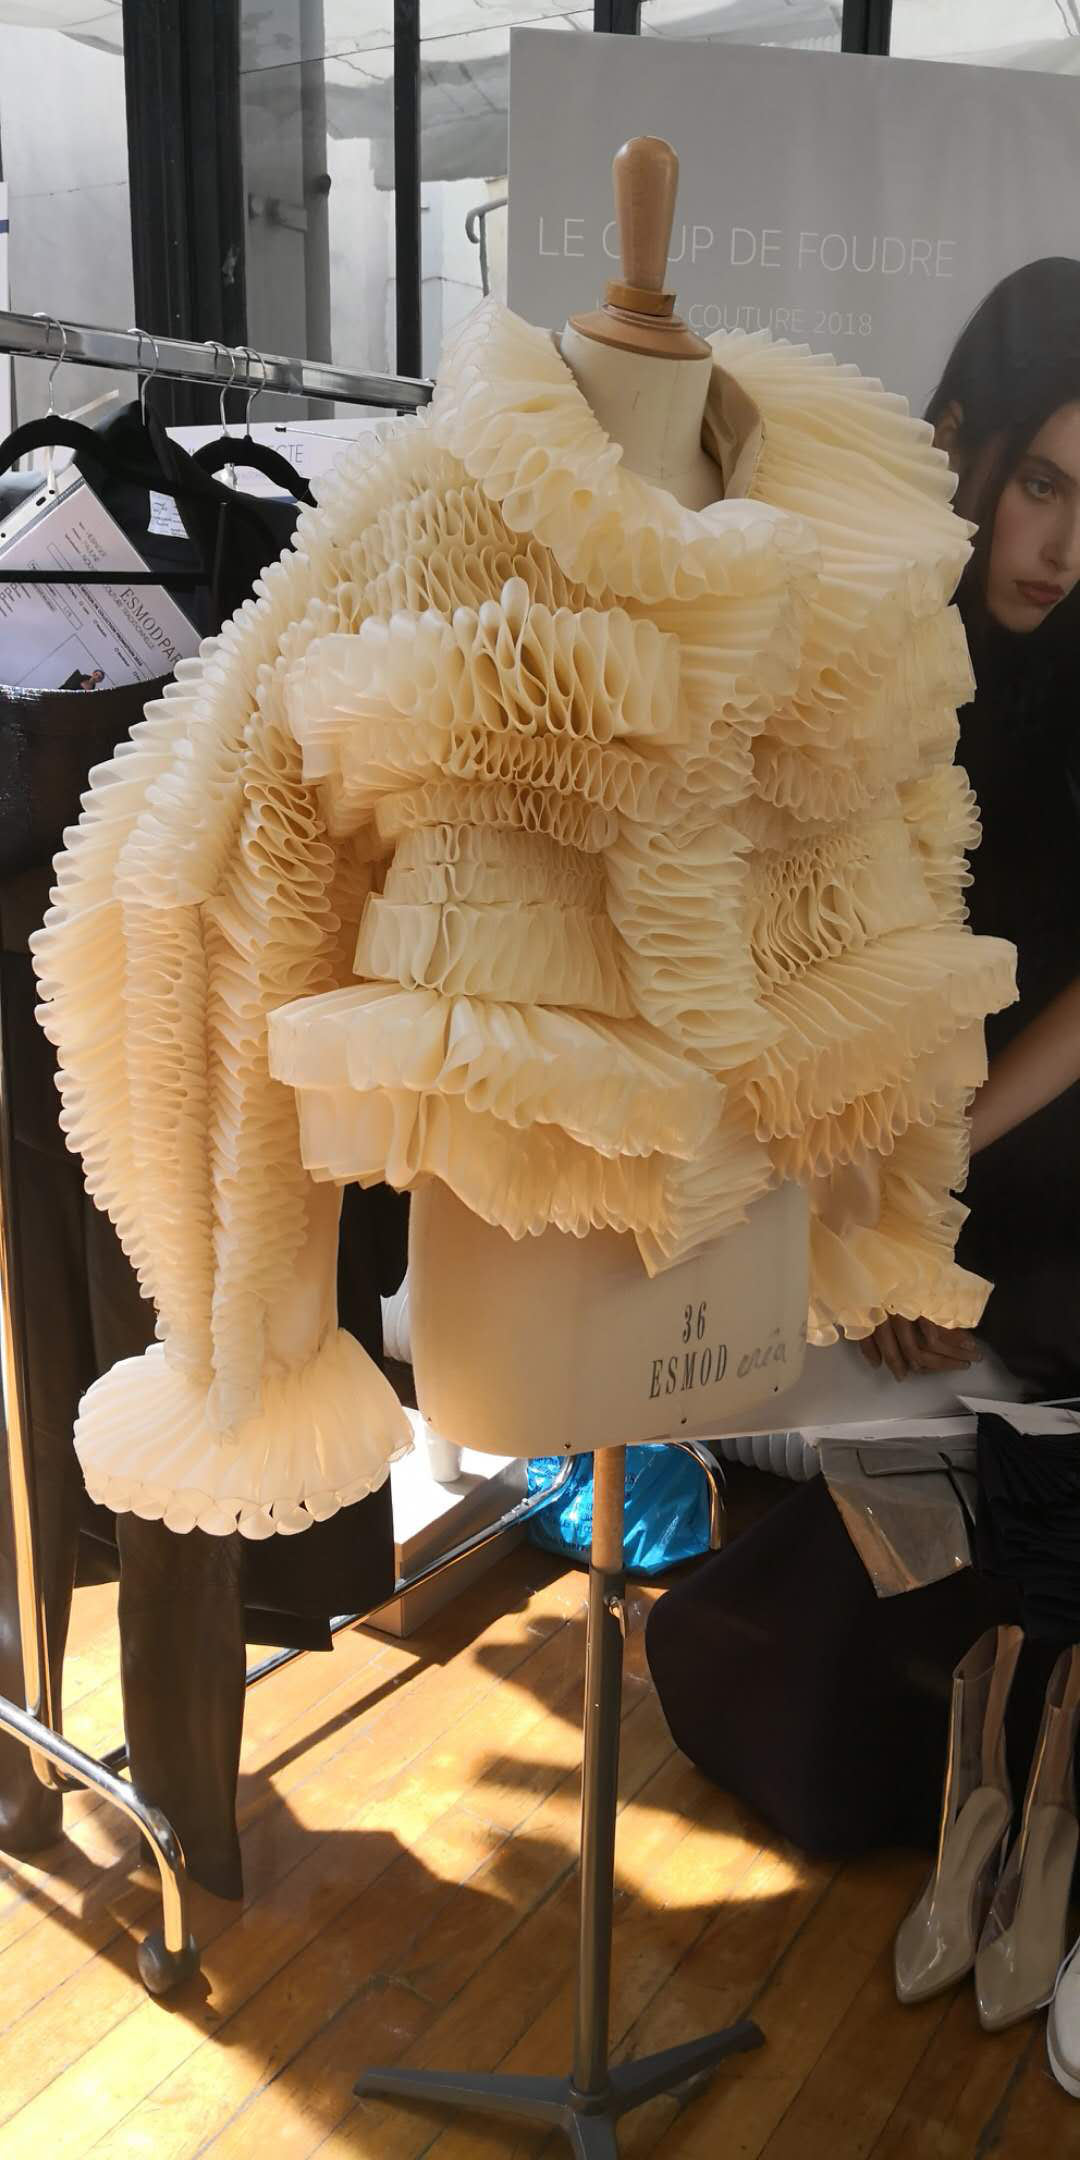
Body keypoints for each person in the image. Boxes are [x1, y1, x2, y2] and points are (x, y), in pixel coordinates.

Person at [861, 257, 1080, 1396]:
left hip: (1013, 1136)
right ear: (958, 441)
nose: (1066, 552)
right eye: (1043, 485)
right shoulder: (857, 649)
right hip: (873, 1132)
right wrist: (873, 1208)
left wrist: (924, 1183)